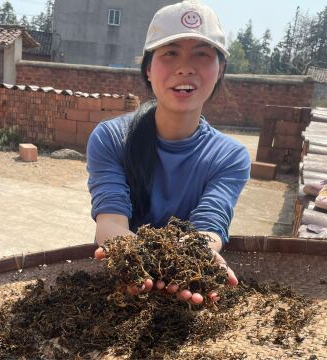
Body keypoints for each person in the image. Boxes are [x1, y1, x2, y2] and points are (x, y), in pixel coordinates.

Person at [86, 0, 251, 305]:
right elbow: (110, 221)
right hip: (127, 285)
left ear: (220, 69)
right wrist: (136, 260)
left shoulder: (231, 156)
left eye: (202, 54)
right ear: (148, 68)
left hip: (186, 293)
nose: (185, 67)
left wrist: (195, 255)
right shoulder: (111, 138)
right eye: (170, 53)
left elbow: (209, 224)